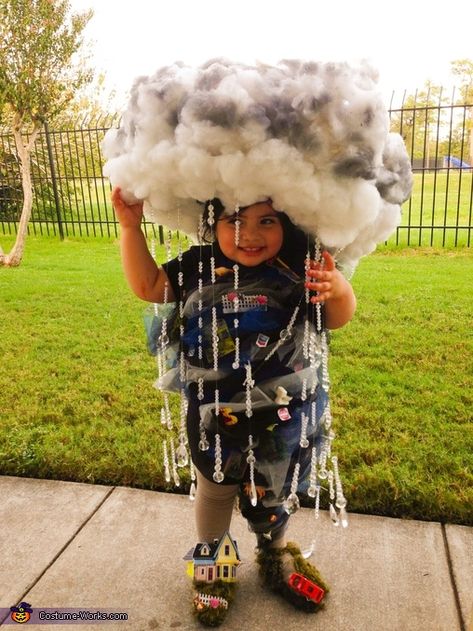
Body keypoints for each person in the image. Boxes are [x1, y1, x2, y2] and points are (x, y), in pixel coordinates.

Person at [112, 187, 356, 625]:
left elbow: (334, 318)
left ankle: (275, 554)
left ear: (288, 223)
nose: (249, 234)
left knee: (275, 492)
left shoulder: (297, 270)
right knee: (215, 487)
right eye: (234, 221)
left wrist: (337, 289)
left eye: (266, 221)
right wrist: (130, 227)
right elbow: (148, 286)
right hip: (213, 414)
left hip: (282, 416)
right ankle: (213, 564)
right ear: (211, 221)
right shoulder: (196, 265)